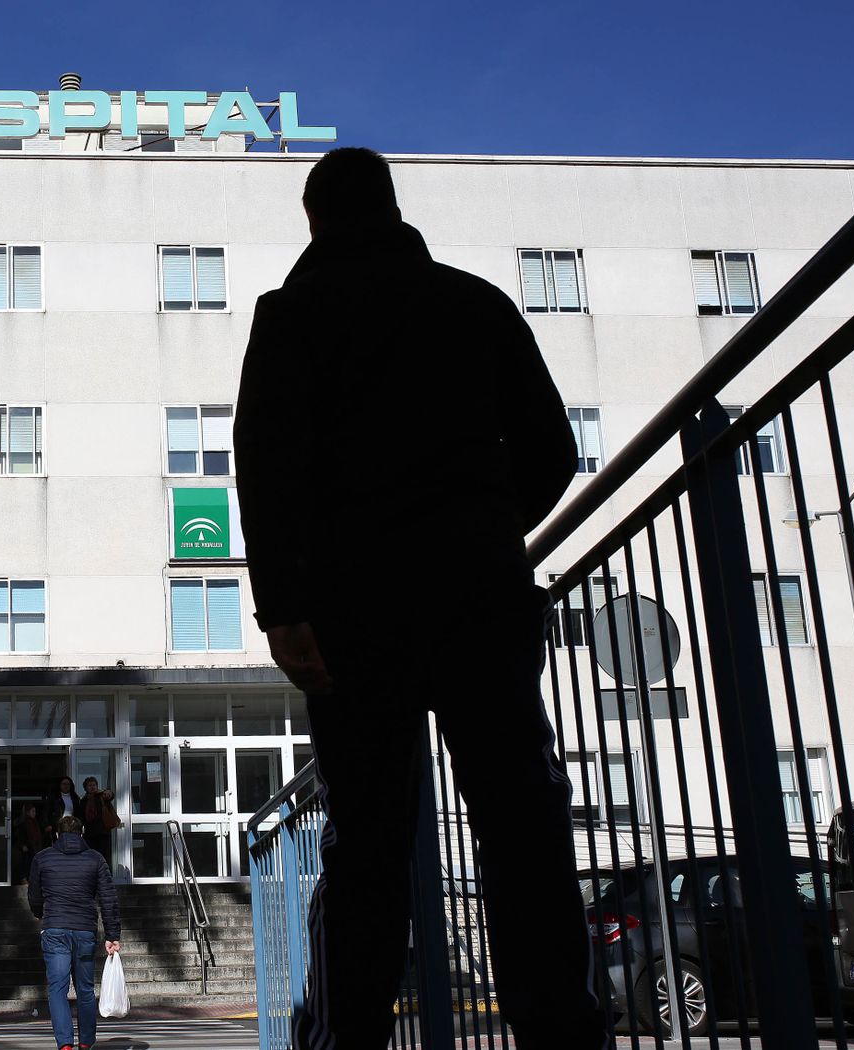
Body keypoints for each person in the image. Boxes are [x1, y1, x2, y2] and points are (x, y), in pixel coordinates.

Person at [233, 147, 606, 1050]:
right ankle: (558, 1028)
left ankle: (346, 1034)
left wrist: (283, 605)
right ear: (393, 209)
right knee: (518, 810)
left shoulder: (292, 317)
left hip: (351, 608)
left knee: (367, 837)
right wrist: (483, 522)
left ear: (315, 218)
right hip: (477, 589)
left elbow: (266, 465)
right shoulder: (475, 303)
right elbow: (554, 447)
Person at [27, 815, 121, 1050]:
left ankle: (65, 1044)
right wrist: (112, 934)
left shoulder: (43, 858)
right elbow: (108, 899)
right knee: (85, 989)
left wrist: (39, 912)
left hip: (55, 928)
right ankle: (86, 1043)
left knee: (57, 989)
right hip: (84, 930)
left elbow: (34, 894)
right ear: (83, 833)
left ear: (57, 834)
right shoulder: (95, 859)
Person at [79, 777, 121, 861]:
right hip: (90, 834)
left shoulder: (101, 796)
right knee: (92, 857)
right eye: (90, 785)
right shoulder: (83, 801)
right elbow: (82, 817)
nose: (92, 787)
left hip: (103, 832)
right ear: (85, 788)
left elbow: (110, 795)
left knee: (104, 857)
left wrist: (109, 793)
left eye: (94, 785)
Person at [42, 776, 82, 847]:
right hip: (58, 826)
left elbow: (79, 813)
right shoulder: (54, 797)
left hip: (72, 827)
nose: (66, 786)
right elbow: (46, 811)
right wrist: (47, 824)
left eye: (68, 784)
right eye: (63, 784)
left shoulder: (75, 797)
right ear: (60, 785)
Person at [14, 802, 45, 885]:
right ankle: (24, 879)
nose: (35, 813)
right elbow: (20, 835)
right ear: (27, 812)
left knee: (31, 864)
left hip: (33, 847)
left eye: (35, 811)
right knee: (25, 863)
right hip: (27, 847)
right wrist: (23, 845)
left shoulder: (34, 822)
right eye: (33, 811)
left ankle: (30, 880)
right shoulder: (23, 822)